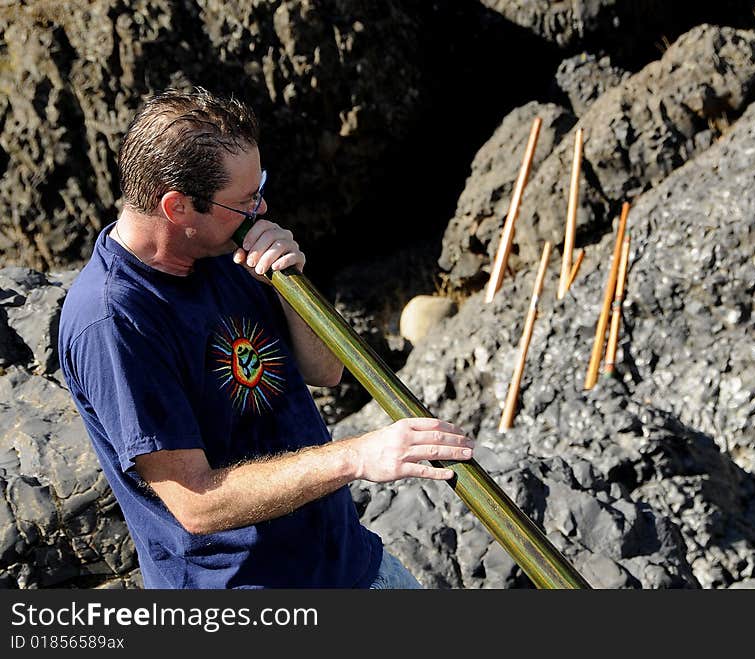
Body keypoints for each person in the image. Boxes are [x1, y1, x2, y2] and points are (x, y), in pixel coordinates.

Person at [58, 87, 474, 589]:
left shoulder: (227, 252)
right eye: (244, 199)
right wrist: (356, 456)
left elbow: (327, 371)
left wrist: (290, 288)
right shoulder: (114, 321)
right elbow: (197, 502)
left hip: (352, 563)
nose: (262, 205)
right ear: (178, 207)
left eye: (259, 187)